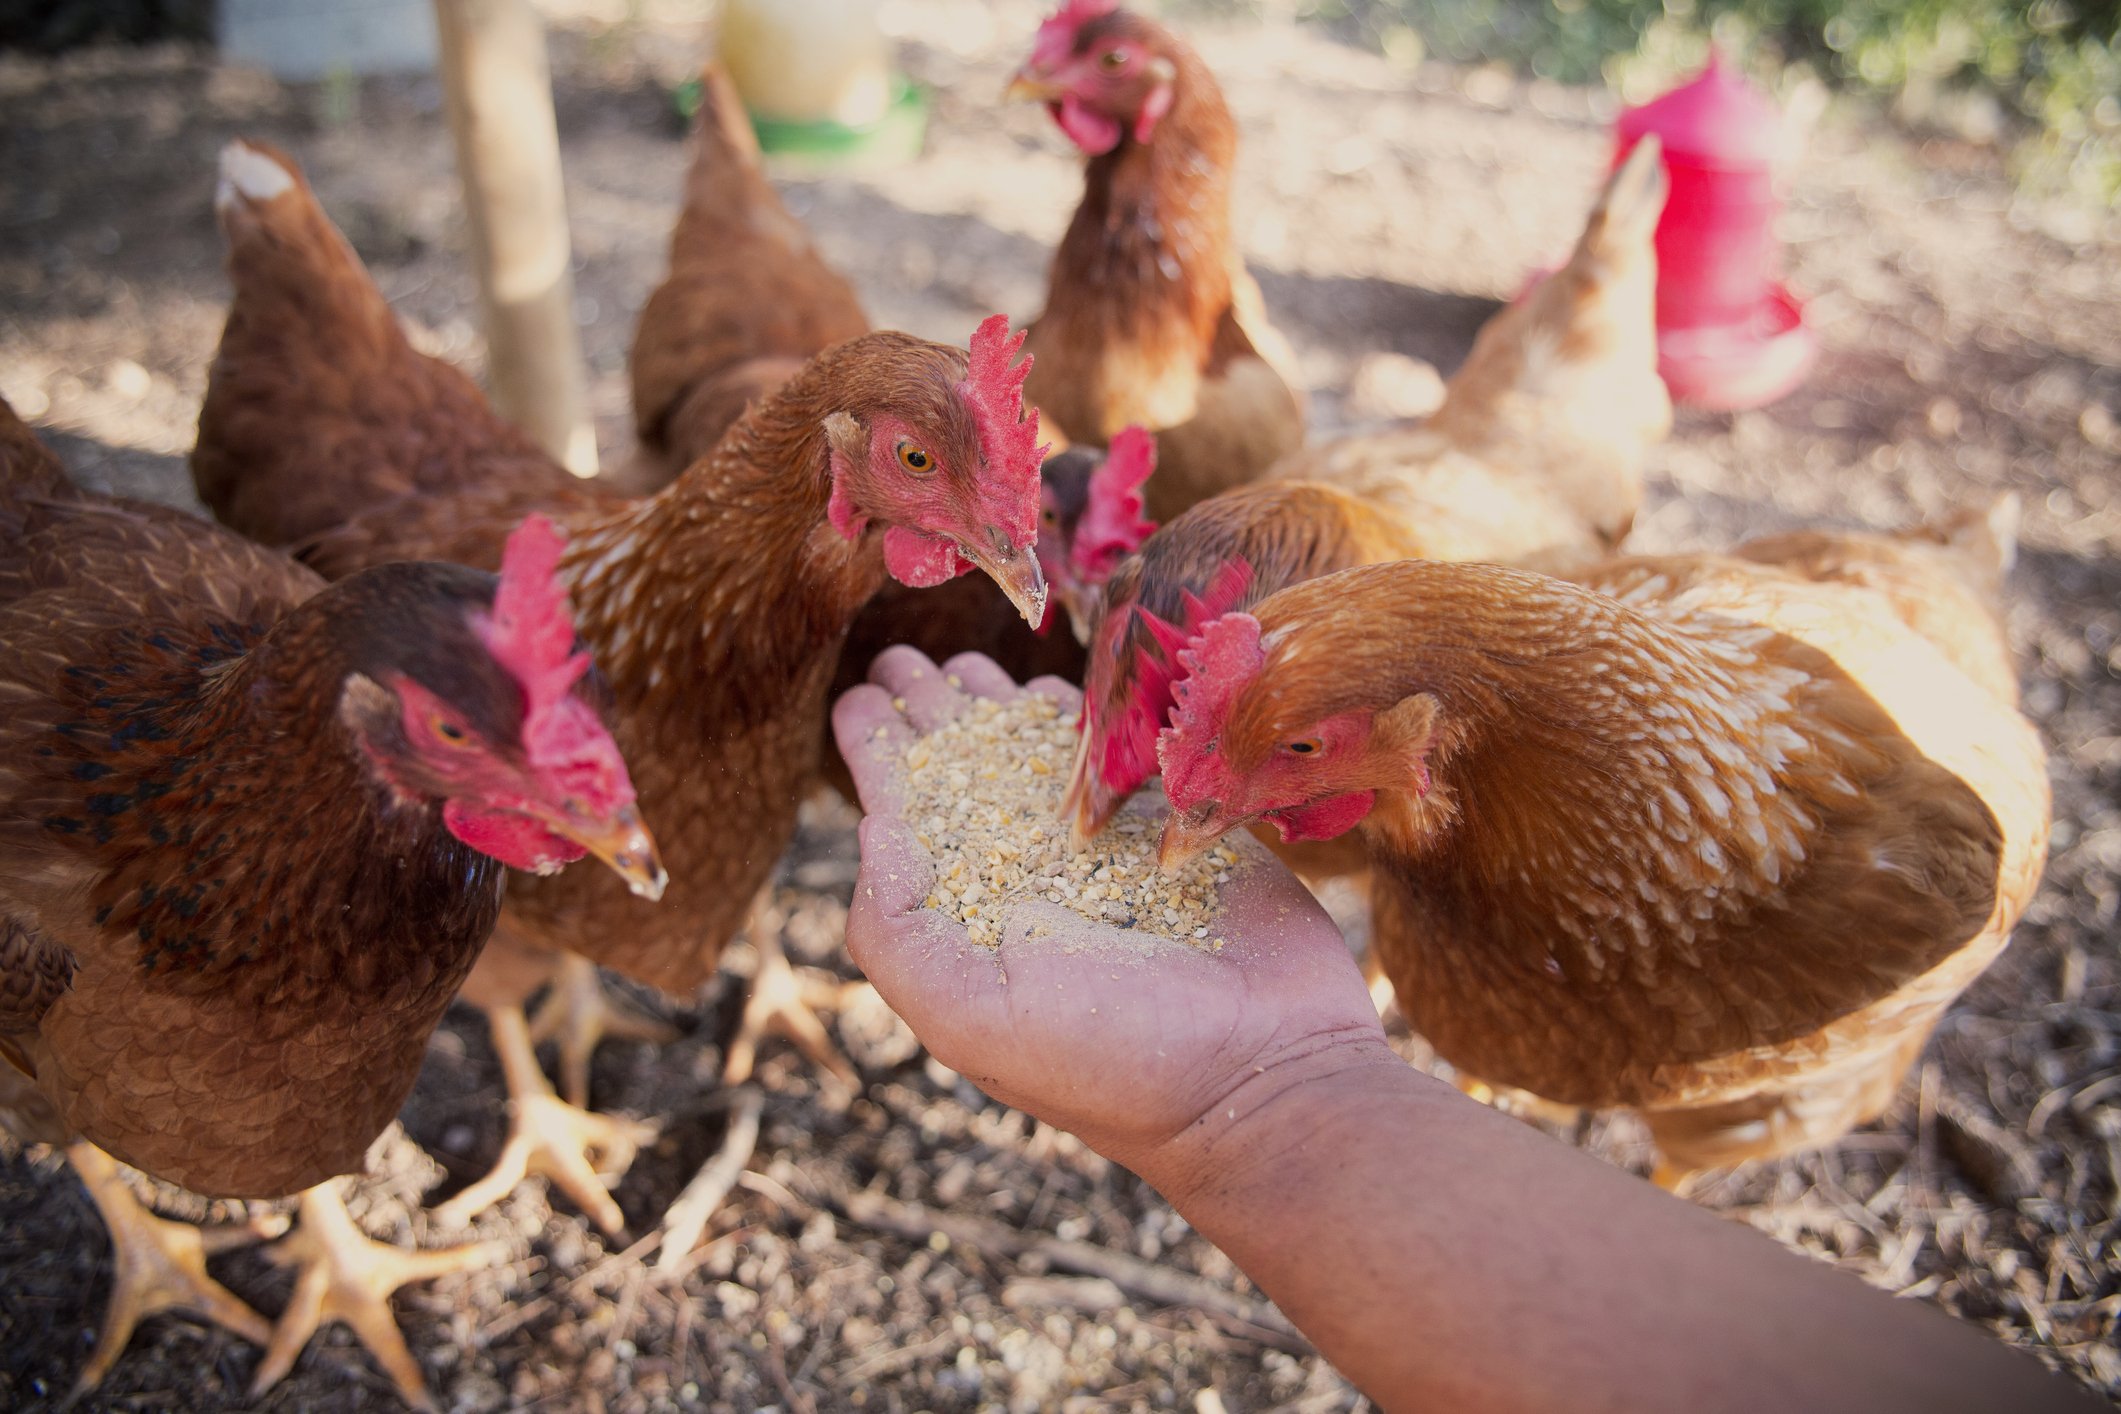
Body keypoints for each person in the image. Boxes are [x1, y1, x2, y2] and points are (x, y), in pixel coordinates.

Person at [831, 647, 2097, 1414]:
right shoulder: (1435, 883)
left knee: (1694, 1098)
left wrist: (1274, 1094)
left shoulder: (1875, 875)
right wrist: (1278, 1091)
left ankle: (1666, 1175)